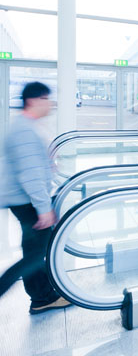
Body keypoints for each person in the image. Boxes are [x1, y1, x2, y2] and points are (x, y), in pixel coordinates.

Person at [0, 82, 71, 315]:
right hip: (27, 201)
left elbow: (33, 166)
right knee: (33, 255)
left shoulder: (25, 126)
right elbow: (29, 174)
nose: (51, 104)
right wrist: (43, 208)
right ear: (34, 100)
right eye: (47, 99)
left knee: (34, 249)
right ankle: (40, 297)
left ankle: (42, 296)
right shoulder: (25, 130)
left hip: (25, 199)